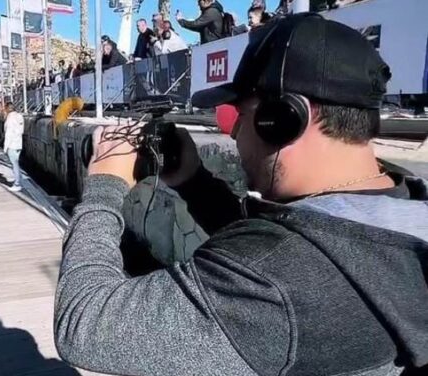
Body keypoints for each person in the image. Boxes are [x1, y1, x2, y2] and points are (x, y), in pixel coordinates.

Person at [54, 15, 428, 375]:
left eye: (240, 116)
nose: (233, 134)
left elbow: (83, 323)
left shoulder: (271, 284)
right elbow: (311, 245)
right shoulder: (407, 211)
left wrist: (105, 183)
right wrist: (195, 182)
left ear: (283, 119)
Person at [3, 103, 24, 192]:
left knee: (14, 164)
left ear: (7, 109)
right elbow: (21, 131)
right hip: (18, 143)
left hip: (11, 144)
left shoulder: (10, 119)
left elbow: (8, 134)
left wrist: (5, 147)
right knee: (16, 163)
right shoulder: (20, 116)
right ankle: (18, 180)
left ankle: (17, 183)